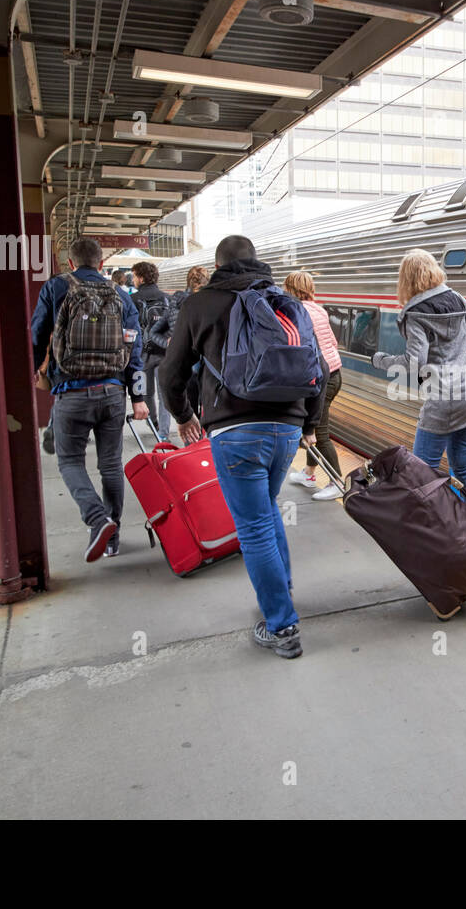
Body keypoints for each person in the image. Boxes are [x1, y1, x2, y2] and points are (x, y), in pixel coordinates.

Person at [162, 236, 326, 660]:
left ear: (218, 265)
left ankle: (282, 626)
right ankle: (281, 589)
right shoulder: (284, 301)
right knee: (267, 508)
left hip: (235, 432)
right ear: (256, 260)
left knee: (252, 526)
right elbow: (320, 369)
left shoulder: (200, 304)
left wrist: (183, 416)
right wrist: (308, 423)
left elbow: (170, 372)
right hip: (287, 428)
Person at [31, 237, 149, 562]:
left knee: (70, 462)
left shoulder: (55, 288)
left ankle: (98, 520)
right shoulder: (121, 295)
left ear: (71, 263)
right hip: (113, 392)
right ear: (101, 263)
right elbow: (134, 349)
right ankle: (114, 538)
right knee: (110, 464)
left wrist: (35, 369)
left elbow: (37, 333)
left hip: (70, 391)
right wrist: (138, 396)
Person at [371, 248, 466, 531]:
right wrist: (460, 353)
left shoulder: (415, 313)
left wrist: (382, 360)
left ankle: (430, 531)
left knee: (421, 471)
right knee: (463, 465)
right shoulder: (457, 298)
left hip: (442, 398)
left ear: (407, 279)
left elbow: (415, 362)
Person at [283, 271, 343, 501]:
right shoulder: (318, 309)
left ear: (290, 288)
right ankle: (308, 474)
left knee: (319, 430)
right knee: (315, 426)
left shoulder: (299, 311)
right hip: (335, 373)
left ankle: (337, 481)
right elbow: (333, 342)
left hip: (322, 377)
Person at [149, 264, 209, 439]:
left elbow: (153, 332)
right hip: (206, 365)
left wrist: (169, 344)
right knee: (208, 412)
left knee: (188, 414)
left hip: (184, 365)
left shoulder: (176, 303)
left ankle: (192, 452)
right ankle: (206, 450)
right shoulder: (212, 303)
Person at [129, 261, 170, 438]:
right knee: (164, 396)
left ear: (141, 277)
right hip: (165, 352)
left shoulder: (133, 300)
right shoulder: (166, 298)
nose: (132, 279)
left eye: (134, 276)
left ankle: (153, 423)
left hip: (142, 354)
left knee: (146, 393)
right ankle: (163, 433)